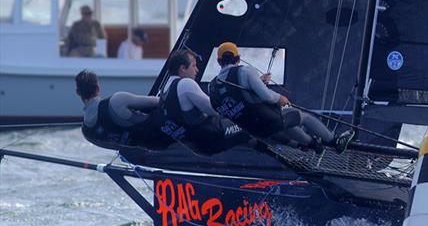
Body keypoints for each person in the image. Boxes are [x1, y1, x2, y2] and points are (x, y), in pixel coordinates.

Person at [208, 42, 355, 153]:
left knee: (287, 125)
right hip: (269, 119)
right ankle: (335, 141)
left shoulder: (212, 86)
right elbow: (267, 96)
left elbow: (233, 101)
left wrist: (258, 81)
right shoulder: (246, 71)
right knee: (303, 117)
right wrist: (280, 98)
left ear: (219, 62)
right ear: (238, 58)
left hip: (254, 130)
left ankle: (313, 145)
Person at [158, 49, 251, 156]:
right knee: (252, 122)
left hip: (194, 145)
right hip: (212, 139)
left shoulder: (165, 89)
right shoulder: (186, 84)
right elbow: (216, 110)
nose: (197, 70)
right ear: (182, 68)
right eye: (194, 66)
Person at [75, 70, 173, 152]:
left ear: (78, 93)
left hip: (152, 154)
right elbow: (159, 102)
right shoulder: (117, 101)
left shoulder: (86, 132)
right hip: (171, 138)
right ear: (98, 88)